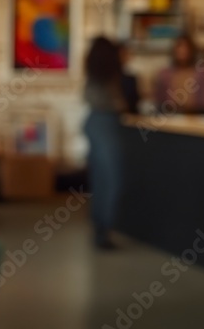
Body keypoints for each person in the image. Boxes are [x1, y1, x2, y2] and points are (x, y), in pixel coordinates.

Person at [83, 37, 126, 250]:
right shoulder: (107, 79)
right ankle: (103, 230)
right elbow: (115, 103)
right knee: (110, 180)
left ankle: (101, 230)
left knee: (101, 180)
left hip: (95, 124)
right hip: (104, 124)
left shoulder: (95, 77)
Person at [153, 33, 204, 113]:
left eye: (186, 47)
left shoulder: (201, 74)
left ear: (191, 50)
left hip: (195, 118)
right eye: (180, 46)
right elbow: (158, 101)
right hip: (169, 117)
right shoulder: (164, 74)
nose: (183, 50)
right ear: (174, 50)